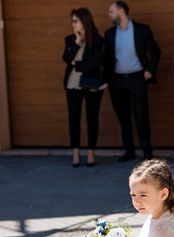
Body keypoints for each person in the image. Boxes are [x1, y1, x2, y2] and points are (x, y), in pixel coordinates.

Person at [104, 1, 160, 162]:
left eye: (111, 12)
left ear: (121, 12)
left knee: (141, 116)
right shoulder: (109, 34)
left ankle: (147, 153)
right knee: (123, 117)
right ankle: (129, 151)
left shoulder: (142, 29)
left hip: (137, 79)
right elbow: (106, 58)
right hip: (117, 81)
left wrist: (150, 71)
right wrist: (107, 79)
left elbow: (155, 51)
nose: (109, 15)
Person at [63, 8, 105, 168]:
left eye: (76, 21)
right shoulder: (69, 40)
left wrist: (77, 65)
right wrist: (76, 43)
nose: (73, 24)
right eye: (72, 21)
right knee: (74, 118)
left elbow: (96, 63)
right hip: (72, 85)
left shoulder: (97, 41)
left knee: (92, 118)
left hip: (92, 84)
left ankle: (91, 153)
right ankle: (76, 153)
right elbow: (66, 58)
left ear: (84, 21)